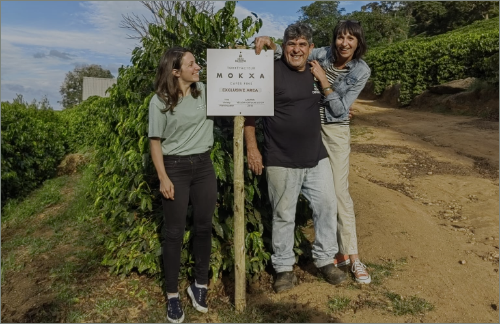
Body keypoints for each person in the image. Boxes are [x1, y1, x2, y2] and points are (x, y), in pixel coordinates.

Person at [266, 20, 372, 284]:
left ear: (359, 42)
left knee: (336, 195)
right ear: (333, 39)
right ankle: (288, 264)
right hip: (310, 127)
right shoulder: (320, 53)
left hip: (334, 128)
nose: (344, 43)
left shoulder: (360, 70)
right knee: (291, 206)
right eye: (340, 37)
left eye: (351, 39)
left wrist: (324, 82)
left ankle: (350, 256)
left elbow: (339, 109)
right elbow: (290, 51)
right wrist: (267, 42)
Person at [245, 22, 347, 294]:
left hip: (316, 157)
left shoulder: (316, 72)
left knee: (327, 207)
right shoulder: (270, 71)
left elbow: (337, 103)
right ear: (284, 46)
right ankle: (283, 268)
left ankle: (325, 259)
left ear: (310, 48)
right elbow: (250, 112)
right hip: (280, 158)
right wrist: (252, 148)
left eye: (303, 44)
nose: (297, 49)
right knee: (283, 214)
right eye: (291, 44)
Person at [148, 47, 217, 323]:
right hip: (174, 167)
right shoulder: (160, 101)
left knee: (203, 226)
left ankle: (199, 285)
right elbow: (155, 142)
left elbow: (239, 85)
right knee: (174, 233)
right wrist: (163, 177)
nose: (197, 67)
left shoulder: (205, 92)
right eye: (192, 64)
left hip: (203, 166)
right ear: (176, 71)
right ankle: (172, 296)